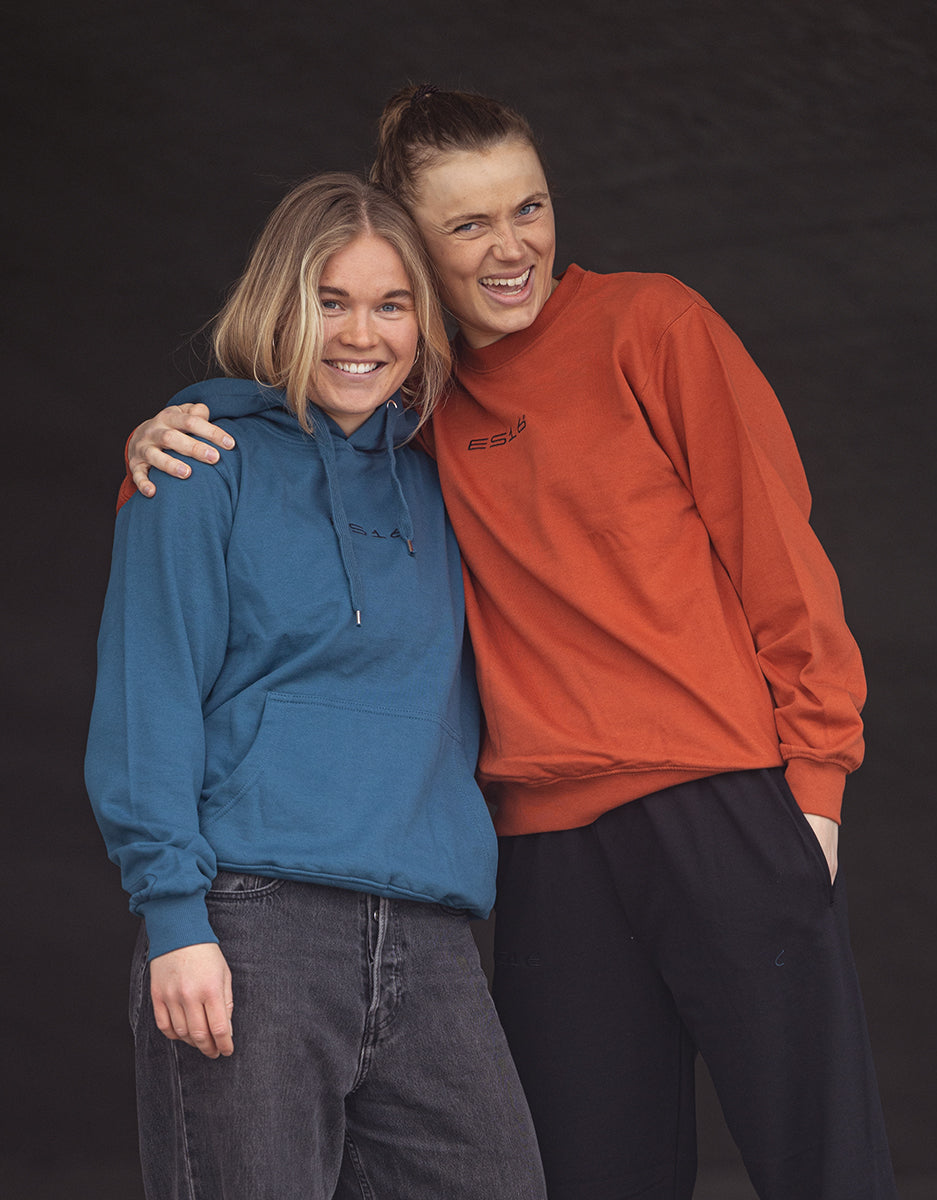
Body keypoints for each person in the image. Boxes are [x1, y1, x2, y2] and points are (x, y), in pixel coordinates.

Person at [119, 87, 897, 1200]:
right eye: (469, 225)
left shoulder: (651, 325)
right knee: (586, 1174)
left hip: (719, 802)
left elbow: (780, 554)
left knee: (823, 1162)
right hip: (545, 848)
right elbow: (293, 423)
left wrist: (814, 787)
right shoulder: (416, 403)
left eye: (528, 208)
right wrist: (170, 428)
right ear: (413, 241)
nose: (512, 248)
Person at [85, 172, 546, 1200]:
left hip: (426, 923)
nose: (361, 334)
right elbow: (148, 699)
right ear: (279, 304)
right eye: (330, 301)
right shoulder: (201, 463)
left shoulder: (445, 480)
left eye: (392, 304)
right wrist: (176, 920)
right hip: (252, 918)